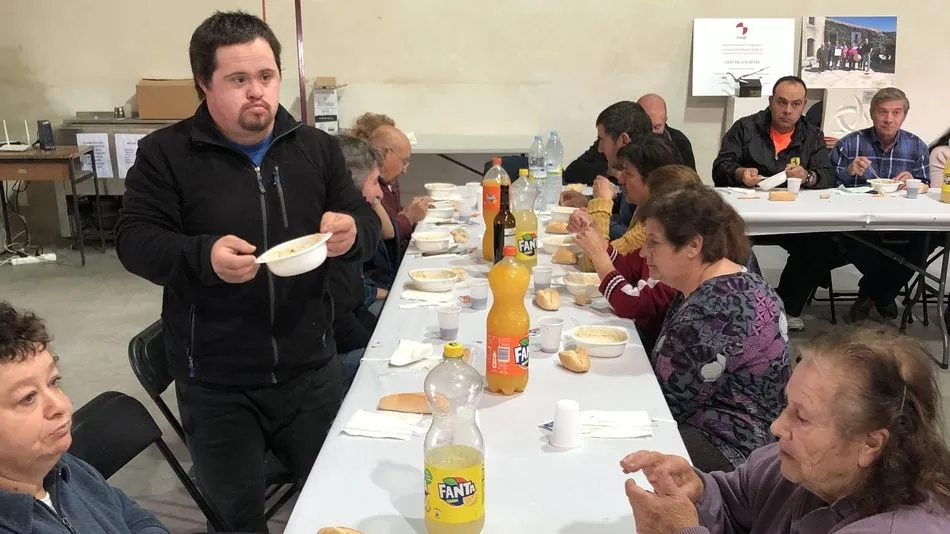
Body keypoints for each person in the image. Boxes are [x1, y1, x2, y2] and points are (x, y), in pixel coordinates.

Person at [114, 11, 380, 532]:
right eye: (238, 80)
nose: (257, 92)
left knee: (335, 504)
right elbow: (135, 242)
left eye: (266, 77)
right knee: (236, 521)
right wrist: (202, 256)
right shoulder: (166, 155)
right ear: (203, 84)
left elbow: (365, 223)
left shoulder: (315, 149)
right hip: (217, 381)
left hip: (310, 367)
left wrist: (352, 232)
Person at [620, 326, 950, 534]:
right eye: (787, 406)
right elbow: (738, 498)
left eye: (802, 417)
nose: (777, 426)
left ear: (870, 444)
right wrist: (699, 490)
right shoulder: (794, 469)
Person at [635, 184, 789, 471]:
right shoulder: (734, 282)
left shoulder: (714, 310)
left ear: (694, 245)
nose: (644, 252)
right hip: (754, 438)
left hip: (731, 451)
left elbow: (663, 407)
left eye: (653, 242)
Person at [0, 302, 170, 534]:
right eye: (28, 398)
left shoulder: (63, 467)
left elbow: (131, 516)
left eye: (53, 382)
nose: (61, 405)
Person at [712, 75, 838, 331]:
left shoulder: (812, 135)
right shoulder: (745, 128)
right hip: (747, 216)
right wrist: (739, 173)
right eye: (781, 102)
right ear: (771, 101)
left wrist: (808, 176)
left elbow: (828, 175)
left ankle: (788, 306)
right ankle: (754, 305)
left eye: (795, 104)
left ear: (803, 106)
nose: (787, 110)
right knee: (725, 239)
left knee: (822, 242)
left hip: (794, 216)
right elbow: (720, 167)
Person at [574, 165, 701, 352]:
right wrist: (600, 243)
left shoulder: (676, 264)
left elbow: (632, 303)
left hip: (651, 346)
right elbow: (627, 266)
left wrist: (599, 256)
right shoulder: (658, 242)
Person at [831, 88, 931, 322]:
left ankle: (872, 294)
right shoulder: (849, 144)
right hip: (858, 222)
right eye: (882, 112)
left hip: (903, 223)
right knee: (853, 240)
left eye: (896, 112)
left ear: (904, 116)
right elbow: (829, 186)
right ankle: (884, 296)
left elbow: (926, 186)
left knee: (926, 241)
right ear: (872, 114)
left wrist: (915, 183)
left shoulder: (916, 146)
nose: (889, 119)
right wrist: (848, 171)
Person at [329, 135, 393, 389]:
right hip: (335, 354)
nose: (380, 191)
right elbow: (340, 324)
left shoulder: (353, 225)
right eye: (375, 182)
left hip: (350, 325)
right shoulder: (335, 235)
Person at [570, 135, 682, 261]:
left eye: (628, 172)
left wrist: (602, 203)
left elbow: (595, 261)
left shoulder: (658, 225)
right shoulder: (645, 208)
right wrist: (590, 222)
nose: (620, 178)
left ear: (654, 180)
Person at [560, 101, 653, 240]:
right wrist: (589, 202)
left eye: (602, 140)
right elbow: (622, 212)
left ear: (623, 140)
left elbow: (631, 238)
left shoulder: (649, 175)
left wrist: (594, 217)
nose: (600, 148)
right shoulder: (635, 168)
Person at [367, 125, 427, 252]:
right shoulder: (365, 185)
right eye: (404, 161)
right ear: (386, 153)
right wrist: (410, 217)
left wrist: (410, 212)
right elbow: (386, 235)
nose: (404, 170)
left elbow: (394, 218)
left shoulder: (390, 182)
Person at [636, 94, 696, 171]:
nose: (650, 132)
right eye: (645, 126)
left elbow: (691, 179)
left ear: (665, 120)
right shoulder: (626, 140)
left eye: (656, 127)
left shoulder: (680, 141)